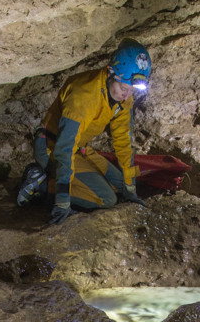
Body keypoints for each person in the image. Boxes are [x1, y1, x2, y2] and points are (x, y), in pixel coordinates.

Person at [17, 38, 152, 224]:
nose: (127, 96)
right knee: (106, 199)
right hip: (52, 146)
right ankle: (41, 185)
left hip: (79, 148)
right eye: (123, 88)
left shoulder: (123, 99)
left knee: (120, 187)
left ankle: (51, 179)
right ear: (111, 73)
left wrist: (130, 188)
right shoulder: (84, 94)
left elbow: (123, 141)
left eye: (132, 91)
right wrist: (62, 201)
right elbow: (65, 147)